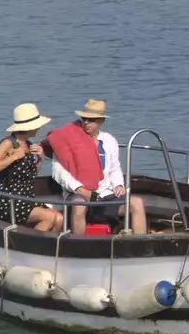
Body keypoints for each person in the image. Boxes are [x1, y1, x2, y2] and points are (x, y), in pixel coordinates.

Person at [47, 99, 148, 234]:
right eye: (84, 118)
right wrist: (80, 189)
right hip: (78, 194)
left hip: (106, 195)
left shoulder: (109, 140)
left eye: (91, 120)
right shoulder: (67, 140)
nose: (86, 123)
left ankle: (140, 246)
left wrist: (118, 184)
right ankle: (78, 247)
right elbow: (59, 171)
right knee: (79, 205)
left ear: (101, 121)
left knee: (137, 202)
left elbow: (114, 167)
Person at [0, 104, 63, 231]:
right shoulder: (9, 143)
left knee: (59, 218)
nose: (39, 128)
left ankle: (48, 248)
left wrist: (40, 159)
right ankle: (33, 246)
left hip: (26, 198)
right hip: (9, 201)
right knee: (49, 217)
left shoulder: (28, 144)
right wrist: (14, 157)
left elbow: (30, 175)